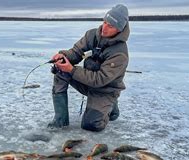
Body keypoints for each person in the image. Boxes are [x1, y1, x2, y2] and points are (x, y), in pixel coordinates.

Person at [48, 4, 130, 132]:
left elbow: (100, 80)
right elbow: (76, 53)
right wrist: (63, 56)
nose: (104, 28)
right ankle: (60, 121)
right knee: (60, 70)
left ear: (119, 29)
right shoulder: (92, 35)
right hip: (87, 82)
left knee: (91, 125)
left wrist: (71, 70)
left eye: (110, 25)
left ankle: (111, 107)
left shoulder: (120, 54)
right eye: (104, 21)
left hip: (105, 90)